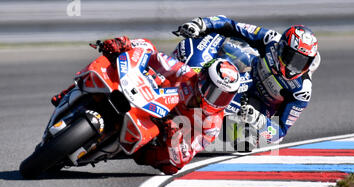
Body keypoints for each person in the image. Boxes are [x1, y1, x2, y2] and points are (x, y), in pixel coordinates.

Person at [51, 36, 240, 175]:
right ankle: (72, 89)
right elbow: (154, 57)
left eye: (223, 97)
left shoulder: (212, 124)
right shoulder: (186, 74)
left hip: (156, 134)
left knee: (171, 166)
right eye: (213, 91)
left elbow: (187, 153)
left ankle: (105, 147)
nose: (215, 99)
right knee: (130, 49)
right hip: (144, 97)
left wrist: (174, 139)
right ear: (203, 78)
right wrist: (125, 45)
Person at [175, 16, 321, 142]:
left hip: (255, 107)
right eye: (291, 57)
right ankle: (185, 75)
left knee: (243, 139)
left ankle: (204, 128)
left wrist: (260, 121)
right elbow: (231, 25)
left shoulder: (302, 91)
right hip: (246, 72)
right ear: (281, 47)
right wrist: (201, 24)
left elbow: (280, 132)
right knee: (220, 40)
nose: (292, 67)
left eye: (302, 63)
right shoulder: (270, 39)